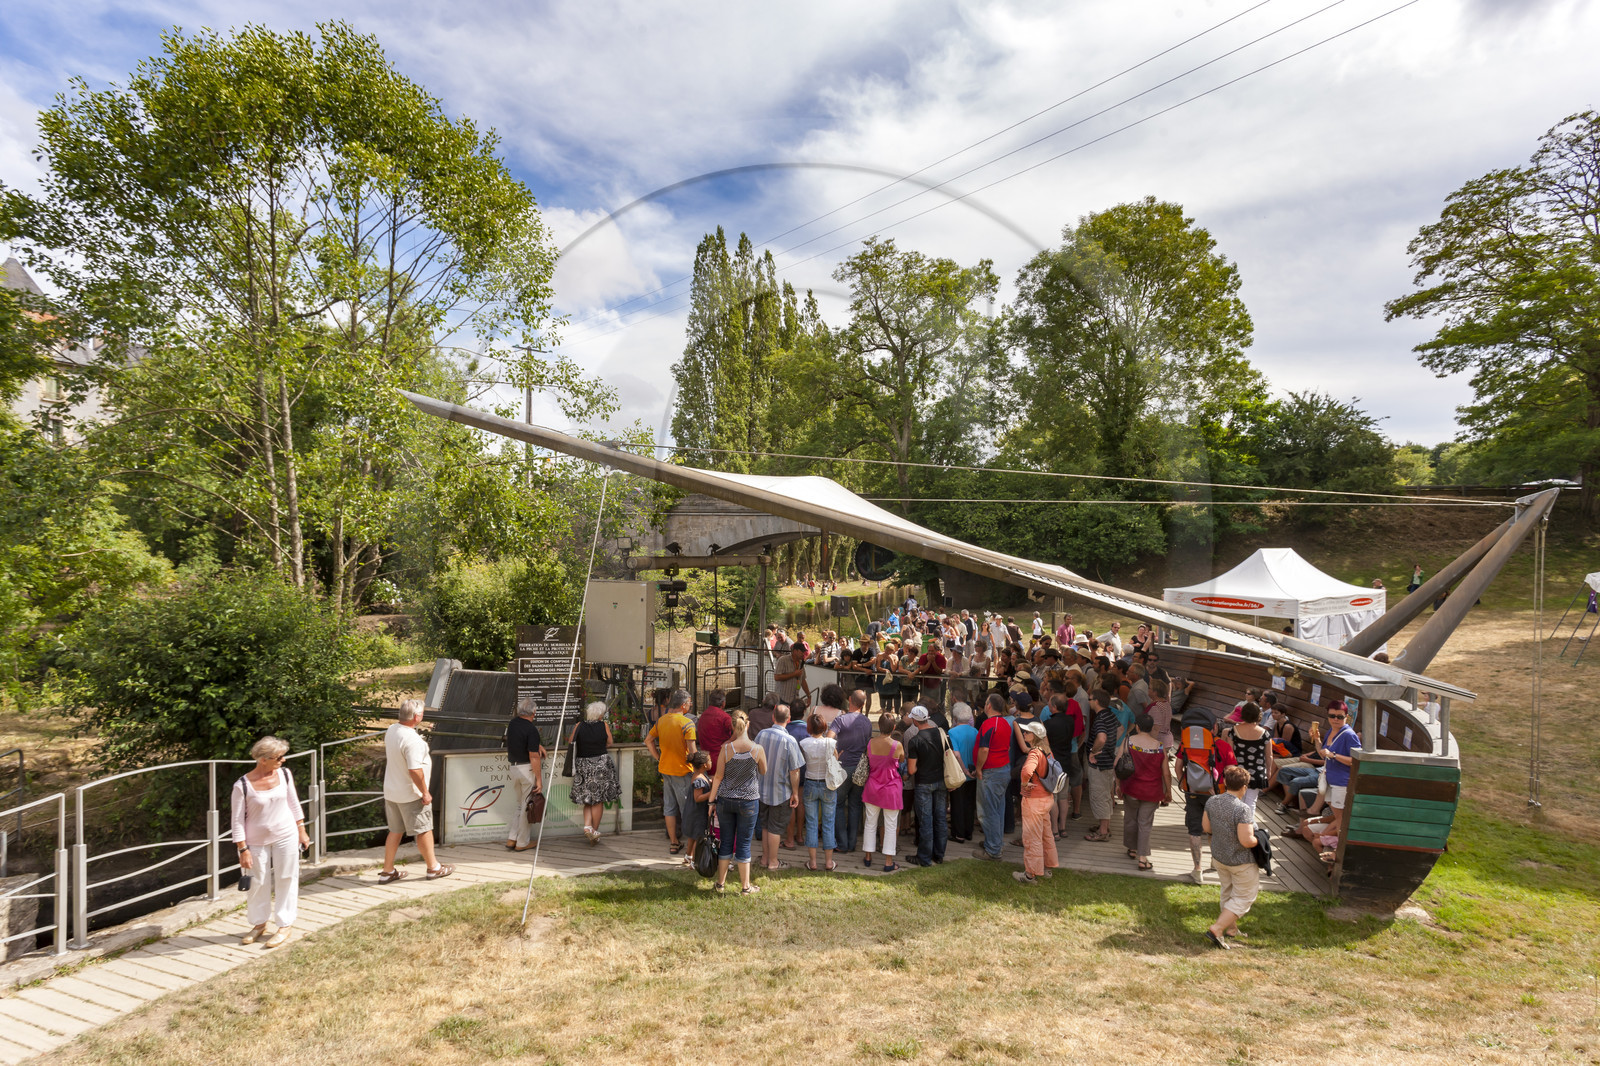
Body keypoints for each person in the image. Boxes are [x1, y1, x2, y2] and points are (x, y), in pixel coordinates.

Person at [230, 736, 310, 947]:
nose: (283, 760)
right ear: (263, 759)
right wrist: (242, 849)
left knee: (287, 877)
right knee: (257, 882)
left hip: (286, 835)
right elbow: (236, 820)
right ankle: (259, 924)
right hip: (255, 842)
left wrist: (301, 830)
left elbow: (293, 802)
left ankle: (285, 924)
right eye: (278, 757)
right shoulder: (242, 785)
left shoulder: (284, 774)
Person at [378, 699, 453, 885]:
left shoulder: (392, 730)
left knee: (395, 831)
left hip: (392, 792)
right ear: (417, 717)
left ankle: (387, 871)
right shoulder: (413, 741)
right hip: (411, 794)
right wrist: (425, 792)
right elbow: (415, 770)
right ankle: (433, 868)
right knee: (424, 830)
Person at [708, 710, 766, 894]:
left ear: (733, 727)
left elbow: (718, 777)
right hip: (749, 801)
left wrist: (711, 802)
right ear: (747, 725)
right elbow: (763, 771)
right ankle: (745, 887)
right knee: (743, 844)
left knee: (725, 841)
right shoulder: (757, 749)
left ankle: (720, 884)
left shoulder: (726, 749)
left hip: (725, 800)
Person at [1203, 765, 1260, 949]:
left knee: (1227, 892)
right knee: (1244, 897)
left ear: (1225, 782)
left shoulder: (1212, 801)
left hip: (1220, 858)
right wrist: (1259, 841)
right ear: (1245, 787)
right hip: (1240, 861)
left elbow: (1207, 828)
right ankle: (1217, 928)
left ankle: (1231, 929)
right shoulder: (1242, 810)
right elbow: (1246, 841)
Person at [645, 689, 698, 856]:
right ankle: (691, 848)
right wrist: (698, 771)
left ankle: (674, 842)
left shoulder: (661, 721)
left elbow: (648, 741)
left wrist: (659, 757)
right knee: (686, 809)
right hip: (682, 771)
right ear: (683, 705)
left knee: (669, 807)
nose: (690, 705)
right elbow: (693, 752)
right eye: (690, 703)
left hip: (665, 769)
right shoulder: (688, 724)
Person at [1121, 713, 1172, 871]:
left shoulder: (1128, 742)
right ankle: (1143, 859)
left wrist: (1117, 785)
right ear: (1151, 729)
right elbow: (1166, 773)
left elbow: (1119, 765)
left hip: (1131, 788)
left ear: (1137, 727)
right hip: (1151, 791)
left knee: (1130, 818)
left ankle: (1132, 848)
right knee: (1145, 823)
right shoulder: (1159, 746)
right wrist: (1168, 791)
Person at [756, 703, 804, 870]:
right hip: (781, 792)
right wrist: (796, 793)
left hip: (761, 790)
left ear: (772, 717)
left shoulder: (761, 735)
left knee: (765, 825)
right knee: (775, 828)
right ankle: (773, 862)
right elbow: (795, 770)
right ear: (789, 719)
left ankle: (764, 858)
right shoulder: (789, 740)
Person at [569, 701, 621, 844]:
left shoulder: (579, 726)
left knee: (587, 798)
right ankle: (595, 832)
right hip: (600, 765)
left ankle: (587, 827)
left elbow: (570, 741)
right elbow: (610, 742)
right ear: (599, 715)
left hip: (583, 764)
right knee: (597, 800)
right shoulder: (603, 725)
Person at [1013, 722, 1059, 884]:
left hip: (1034, 800)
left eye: (1027, 732)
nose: (1024, 734)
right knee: (1046, 835)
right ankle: (1047, 868)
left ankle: (1030, 874)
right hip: (1047, 798)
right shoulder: (1047, 751)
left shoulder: (1034, 752)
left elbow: (1026, 771)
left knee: (1032, 838)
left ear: (1035, 736)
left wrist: (1024, 784)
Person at [828, 689, 873, 853]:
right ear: (864, 704)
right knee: (855, 805)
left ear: (849, 700)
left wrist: (835, 753)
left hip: (843, 766)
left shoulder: (840, 720)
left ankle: (842, 843)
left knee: (838, 804)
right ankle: (852, 843)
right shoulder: (867, 722)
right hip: (861, 767)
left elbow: (828, 738)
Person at [904, 706, 949, 867]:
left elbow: (911, 769)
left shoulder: (915, 740)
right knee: (940, 819)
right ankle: (939, 854)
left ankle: (924, 857)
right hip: (941, 781)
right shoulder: (941, 733)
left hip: (924, 783)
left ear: (915, 721)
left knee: (925, 821)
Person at [971, 692, 1014, 860]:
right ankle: (994, 841)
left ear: (988, 706)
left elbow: (984, 749)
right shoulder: (1005, 722)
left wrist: (979, 768)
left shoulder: (990, 724)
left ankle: (993, 850)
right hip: (1003, 770)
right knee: (998, 809)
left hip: (991, 772)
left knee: (988, 811)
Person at [860, 713, 906, 872]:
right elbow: (901, 760)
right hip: (890, 788)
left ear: (878, 727)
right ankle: (888, 861)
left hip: (872, 786)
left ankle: (867, 856)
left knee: (870, 823)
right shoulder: (897, 745)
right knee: (891, 825)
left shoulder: (870, 743)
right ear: (893, 728)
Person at [798, 714, 839, 871]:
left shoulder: (804, 743)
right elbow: (835, 758)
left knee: (811, 823)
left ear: (809, 727)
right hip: (827, 784)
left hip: (810, 782)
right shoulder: (830, 742)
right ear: (823, 726)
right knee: (828, 822)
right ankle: (829, 862)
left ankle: (813, 862)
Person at [504, 697, 546, 852]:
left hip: (514, 768)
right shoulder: (531, 729)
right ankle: (522, 842)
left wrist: (537, 745)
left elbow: (521, 739)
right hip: (526, 769)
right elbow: (534, 756)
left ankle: (512, 838)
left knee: (520, 805)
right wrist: (539, 780)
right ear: (533, 713)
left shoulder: (513, 724)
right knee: (528, 806)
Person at [1082, 690, 1121, 843]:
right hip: (1108, 761)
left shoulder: (1099, 720)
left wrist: (1094, 751)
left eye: (1090, 699)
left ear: (1096, 701)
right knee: (1105, 794)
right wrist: (1110, 746)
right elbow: (1120, 729)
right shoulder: (1110, 714)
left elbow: (1102, 738)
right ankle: (1104, 826)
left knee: (1099, 796)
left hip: (1098, 764)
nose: (1088, 702)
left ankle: (1103, 832)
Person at [1317, 701, 1361, 834]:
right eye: (1332, 716)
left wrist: (1334, 755)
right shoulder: (1331, 730)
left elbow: (1356, 760)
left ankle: (1339, 847)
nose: (1335, 719)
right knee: (1338, 815)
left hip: (1342, 783)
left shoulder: (1349, 735)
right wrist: (1318, 739)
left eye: (1340, 716)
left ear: (1346, 717)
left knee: (1341, 817)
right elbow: (1323, 755)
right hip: (1331, 779)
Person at [1043, 692, 1082, 835]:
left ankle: (1054, 828)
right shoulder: (1070, 721)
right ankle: (1063, 827)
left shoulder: (1048, 724)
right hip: (1066, 761)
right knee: (1063, 797)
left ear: (1053, 707)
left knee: (1053, 797)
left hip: (1053, 763)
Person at [1228, 702, 1272, 817]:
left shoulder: (1234, 730)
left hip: (1238, 771)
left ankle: (1236, 823)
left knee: (1238, 800)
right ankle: (1249, 825)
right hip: (1257, 771)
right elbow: (1269, 755)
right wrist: (1269, 771)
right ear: (1258, 716)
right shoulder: (1265, 733)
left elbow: (1230, 752)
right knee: (1251, 801)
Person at [946, 702, 979, 843]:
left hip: (959, 773)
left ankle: (958, 833)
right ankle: (968, 831)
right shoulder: (975, 731)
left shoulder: (952, 732)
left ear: (955, 717)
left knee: (957, 804)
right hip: (973, 772)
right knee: (969, 803)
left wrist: (964, 770)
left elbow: (956, 754)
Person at [683, 751, 713, 867]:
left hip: (693, 812)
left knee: (692, 835)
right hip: (698, 813)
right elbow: (698, 798)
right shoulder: (699, 780)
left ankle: (688, 855)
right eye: (709, 760)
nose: (711, 762)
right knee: (699, 837)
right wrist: (711, 793)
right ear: (704, 765)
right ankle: (695, 862)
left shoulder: (700, 775)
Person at [698, 690, 735, 773]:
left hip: (705, 760)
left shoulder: (703, 716)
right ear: (723, 703)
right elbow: (738, 731)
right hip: (720, 759)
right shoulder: (725, 717)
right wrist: (730, 740)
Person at [774, 644, 812, 712]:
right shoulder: (783, 660)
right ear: (795, 651)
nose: (803, 654)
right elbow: (777, 677)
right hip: (782, 699)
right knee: (783, 721)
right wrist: (794, 674)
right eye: (802, 652)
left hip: (794, 701)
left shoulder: (801, 663)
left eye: (804, 652)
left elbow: (803, 681)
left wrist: (809, 696)